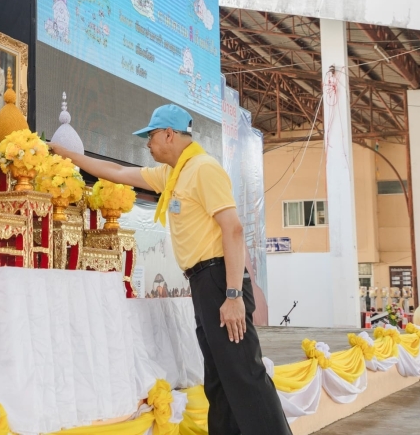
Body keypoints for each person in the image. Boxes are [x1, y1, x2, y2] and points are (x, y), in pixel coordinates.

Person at [51, 104, 291, 435]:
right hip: (205, 283)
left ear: (169, 134)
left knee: (244, 375)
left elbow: (232, 229)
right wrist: (66, 154)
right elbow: (117, 172)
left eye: (151, 136)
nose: (147, 144)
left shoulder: (204, 169)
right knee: (219, 379)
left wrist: (234, 294)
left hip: (222, 280)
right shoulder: (172, 175)